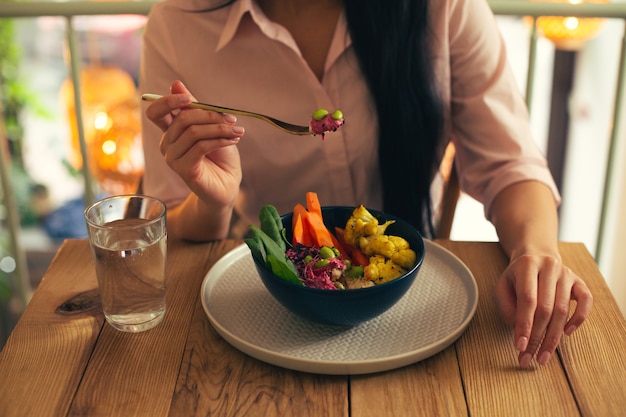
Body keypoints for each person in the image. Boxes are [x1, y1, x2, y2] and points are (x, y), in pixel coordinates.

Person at [140, 0, 592, 368]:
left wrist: (536, 252)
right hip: (268, 310)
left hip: (413, 303)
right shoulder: (177, 23)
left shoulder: (443, 7)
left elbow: (511, 164)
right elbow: (175, 218)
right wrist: (213, 199)